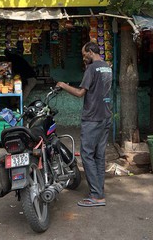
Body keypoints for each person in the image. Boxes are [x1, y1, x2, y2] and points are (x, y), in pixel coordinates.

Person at [56, 41, 112, 207]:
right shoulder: (107, 67)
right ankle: (99, 191)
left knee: (87, 155)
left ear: (90, 52)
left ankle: (96, 196)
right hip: (105, 116)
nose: (83, 58)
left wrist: (63, 85)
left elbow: (80, 93)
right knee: (99, 156)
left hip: (93, 117)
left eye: (83, 54)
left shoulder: (92, 69)